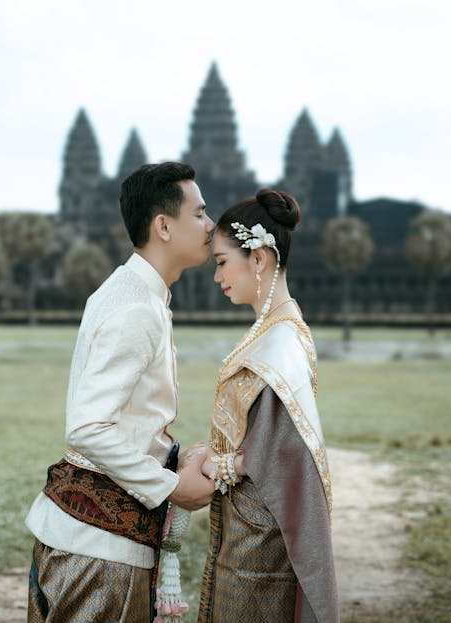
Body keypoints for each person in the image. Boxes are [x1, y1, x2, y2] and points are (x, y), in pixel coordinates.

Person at [25, 162, 217, 623]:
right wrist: (173, 488)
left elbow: (127, 418)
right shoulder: (137, 307)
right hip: (100, 557)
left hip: (86, 543)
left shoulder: (131, 293)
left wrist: (171, 454)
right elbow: (89, 426)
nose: (211, 226)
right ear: (164, 226)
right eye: (200, 214)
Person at [197, 189, 340, 623]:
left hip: (262, 540)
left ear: (258, 259)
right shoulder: (273, 332)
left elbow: (287, 450)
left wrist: (222, 467)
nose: (218, 275)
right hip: (246, 524)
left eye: (223, 262)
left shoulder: (283, 341)